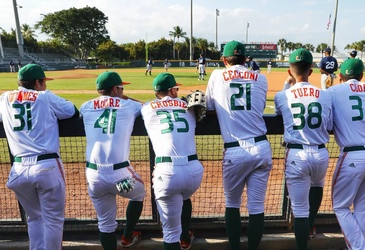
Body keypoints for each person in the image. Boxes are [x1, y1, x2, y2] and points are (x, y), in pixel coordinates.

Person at [0, 64, 79, 249]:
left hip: (18, 169)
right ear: (37, 82)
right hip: (46, 166)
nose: (45, 85)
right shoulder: (45, 96)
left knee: (34, 217)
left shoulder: (5, 98)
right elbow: (72, 111)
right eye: (43, 82)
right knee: (53, 220)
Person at [205, 40, 273, 250]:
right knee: (256, 207)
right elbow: (259, 106)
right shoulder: (261, 78)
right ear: (246, 59)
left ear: (224, 60)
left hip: (235, 149)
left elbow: (208, 106)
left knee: (232, 204)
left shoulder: (217, 75)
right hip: (262, 147)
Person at [79, 71, 146, 249]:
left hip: (94, 176)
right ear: (116, 88)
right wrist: (123, 97)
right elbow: (146, 107)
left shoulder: (85, 106)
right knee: (139, 193)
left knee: (105, 225)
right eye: (121, 88)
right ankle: (127, 235)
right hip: (121, 176)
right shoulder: (129, 106)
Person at [327, 58, 365, 250]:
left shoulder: (334, 91)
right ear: (361, 76)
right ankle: (356, 247)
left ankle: (358, 248)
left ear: (340, 76)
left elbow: (327, 121)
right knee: (363, 209)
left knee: (341, 207)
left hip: (353, 156)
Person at [274, 48, 332, 250]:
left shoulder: (283, 96)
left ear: (290, 71)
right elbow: (330, 124)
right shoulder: (325, 96)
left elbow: (278, 113)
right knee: (317, 186)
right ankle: (311, 225)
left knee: (299, 210)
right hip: (321, 153)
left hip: (297, 154)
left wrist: (286, 86)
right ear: (311, 71)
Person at [141, 72, 204, 250]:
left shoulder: (147, 108)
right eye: (176, 88)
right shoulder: (189, 106)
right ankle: (185, 237)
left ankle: (179, 236)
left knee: (170, 234)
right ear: (172, 90)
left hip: (167, 173)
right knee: (184, 196)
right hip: (194, 172)